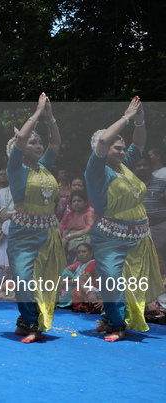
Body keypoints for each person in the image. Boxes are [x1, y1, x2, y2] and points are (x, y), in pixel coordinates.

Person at [85, 97, 165, 342]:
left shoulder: (124, 166)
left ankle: (111, 318)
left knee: (130, 283)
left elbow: (138, 145)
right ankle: (117, 325)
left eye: (122, 148)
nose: (122, 151)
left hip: (139, 237)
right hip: (110, 236)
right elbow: (102, 141)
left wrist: (139, 123)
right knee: (111, 278)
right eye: (116, 148)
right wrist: (127, 116)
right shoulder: (97, 169)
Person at [6, 93, 65, 344]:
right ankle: (31, 323)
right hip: (22, 233)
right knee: (22, 278)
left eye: (38, 142)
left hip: (48, 232)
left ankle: (26, 322)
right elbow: (19, 139)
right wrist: (37, 112)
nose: (38, 145)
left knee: (45, 279)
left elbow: (55, 144)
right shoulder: (15, 168)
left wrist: (50, 118)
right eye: (32, 142)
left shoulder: (44, 166)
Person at [134, 155, 166, 276]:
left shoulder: (162, 183)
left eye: (145, 165)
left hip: (159, 227)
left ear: (150, 167)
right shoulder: (131, 186)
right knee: (141, 258)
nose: (142, 168)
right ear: (134, 167)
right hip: (138, 228)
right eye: (139, 165)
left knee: (161, 255)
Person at [59, 190, 96, 264]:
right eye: (74, 201)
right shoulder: (69, 216)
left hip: (83, 248)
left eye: (79, 201)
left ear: (86, 202)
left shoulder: (90, 211)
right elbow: (60, 229)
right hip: (68, 249)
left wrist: (68, 237)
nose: (76, 203)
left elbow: (88, 229)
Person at [58, 243, 98, 310]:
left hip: (88, 289)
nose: (81, 254)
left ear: (91, 254)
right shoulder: (79, 265)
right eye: (79, 252)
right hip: (78, 286)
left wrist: (67, 282)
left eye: (84, 252)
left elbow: (83, 281)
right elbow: (66, 271)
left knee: (75, 291)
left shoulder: (92, 263)